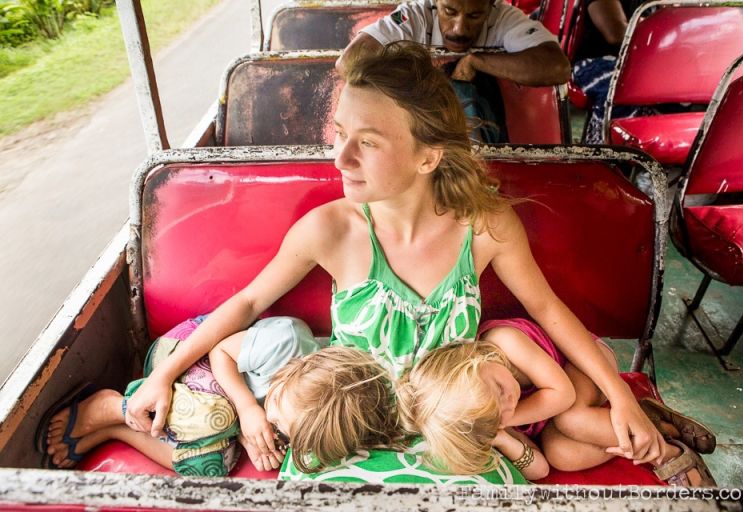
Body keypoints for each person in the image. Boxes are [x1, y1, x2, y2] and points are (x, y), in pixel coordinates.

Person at [123, 41, 663, 469]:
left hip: (450, 432)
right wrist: (163, 375)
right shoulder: (330, 230)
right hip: (352, 430)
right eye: (340, 134)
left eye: (368, 142)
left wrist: (620, 397)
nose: (341, 158)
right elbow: (246, 304)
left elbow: (548, 309)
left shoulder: (485, 227)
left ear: (428, 157)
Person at [43, 317, 399, 475]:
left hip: (220, 403)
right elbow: (221, 352)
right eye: (275, 411)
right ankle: (112, 405)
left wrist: (257, 442)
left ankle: (117, 430)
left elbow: (273, 426)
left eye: (283, 430)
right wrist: (247, 409)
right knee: (216, 418)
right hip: (192, 351)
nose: (272, 423)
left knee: (211, 467)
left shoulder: (317, 419)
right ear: (296, 369)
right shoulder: (286, 342)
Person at [399, 319, 717, 485]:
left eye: (499, 388)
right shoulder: (487, 413)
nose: (509, 400)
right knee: (560, 455)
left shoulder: (501, 341)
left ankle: (668, 454)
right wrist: (499, 436)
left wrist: (506, 420)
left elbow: (562, 394)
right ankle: (660, 426)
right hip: (558, 413)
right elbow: (539, 468)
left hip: (584, 365)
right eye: (499, 410)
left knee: (571, 419)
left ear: (474, 360)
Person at [336, 0, 570, 142]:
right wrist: (420, 81)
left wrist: (476, 62)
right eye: (449, 11)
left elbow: (558, 68)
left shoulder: (504, 16)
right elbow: (348, 62)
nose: (460, 29)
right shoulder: (412, 15)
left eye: (474, 16)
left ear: (490, 7)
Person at [571, 0, 641, 143]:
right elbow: (615, 32)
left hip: (640, 61)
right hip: (596, 61)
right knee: (628, 89)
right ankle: (606, 147)